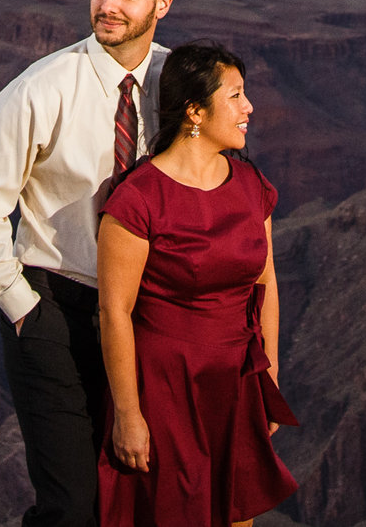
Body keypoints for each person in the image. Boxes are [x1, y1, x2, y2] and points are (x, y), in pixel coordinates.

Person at [0, 0, 175, 527]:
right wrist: (23, 308)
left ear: (162, 4)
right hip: (59, 310)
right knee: (72, 507)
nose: (108, 5)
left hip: (150, 319)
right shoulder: (42, 88)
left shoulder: (179, 87)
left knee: (142, 496)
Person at [96, 42, 298, 527]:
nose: (248, 107)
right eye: (234, 96)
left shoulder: (252, 186)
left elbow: (265, 284)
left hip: (234, 381)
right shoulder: (138, 200)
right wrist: (128, 414)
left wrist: (267, 379)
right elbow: (114, 312)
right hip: (165, 388)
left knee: (234, 516)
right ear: (194, 111)